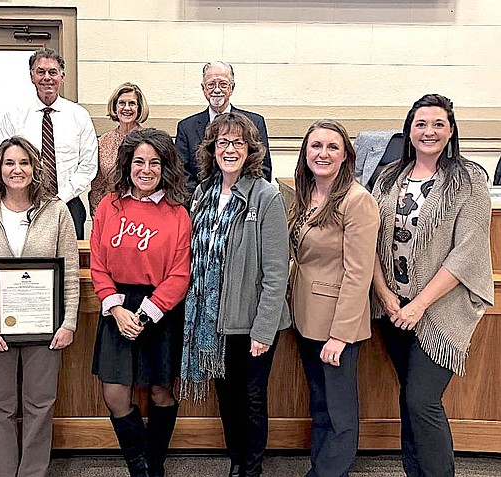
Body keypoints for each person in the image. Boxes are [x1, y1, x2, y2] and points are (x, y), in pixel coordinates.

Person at [372, 94, 494, 477]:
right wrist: (386, 295)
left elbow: (467, 250)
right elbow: (369, 241)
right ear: (409, 130)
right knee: (410, 399)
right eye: (421, 124)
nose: (429, 131)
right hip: (393, 309)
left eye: (438, 124)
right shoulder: (389, 175)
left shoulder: (469, 178)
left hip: (439, 310)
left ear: (451, 130)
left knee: (423, 401)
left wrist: (418, 305)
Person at [179, 112, 290, 477]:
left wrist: (262, 330)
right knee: (227, 399)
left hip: (251, 320)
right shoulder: (203, 193)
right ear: (211, 148)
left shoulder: (265, 196)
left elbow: (276, 273)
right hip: (214, 320)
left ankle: (251, 468)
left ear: (251, 150)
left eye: (238, 143)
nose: (230, 149)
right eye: (223, 142)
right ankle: (236, 460)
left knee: (251, 400)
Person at [0, 136, 80, 477]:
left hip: (46, 326)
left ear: (35, 167)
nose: (17, 170)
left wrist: (69, 322)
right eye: (9, 163)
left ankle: (32, 472)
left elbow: (70, 272)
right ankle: (3, 471)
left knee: (40, 404)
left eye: (24, 163)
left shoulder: (56, 210)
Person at [90, 128, 191, 477]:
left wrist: (145, 315)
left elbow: (180, 273)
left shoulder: (178, 213)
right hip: (117, 306)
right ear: (127, 164)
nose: (145, 169)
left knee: (161, 391)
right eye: (138, 162)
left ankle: (156, 463)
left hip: (158, 310)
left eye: (154, 163)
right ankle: (139, 466)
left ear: (165, 168)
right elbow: (98, 264)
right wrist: (117, 310)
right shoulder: (109, 205)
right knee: (115, 393)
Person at [288, 120, 380, 477]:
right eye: (316, 146)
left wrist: (340, 335)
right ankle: (320, 467)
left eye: (332, 147)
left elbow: (359, 273)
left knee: (339, 410)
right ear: (305, 153)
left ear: (345, 156)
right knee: (321, 403)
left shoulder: (358, 201)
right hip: (307, 315)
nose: (323, 153)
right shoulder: (305, 193)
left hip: (338, 323)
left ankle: (330, 471)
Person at [0, 47, 98, 239]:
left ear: (62, 76)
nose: (47, 77)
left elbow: (88, 165)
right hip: (23, 204)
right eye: (40, 72)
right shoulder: (14, 115)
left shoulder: (79, 116)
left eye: (53, 72)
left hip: (68, 204)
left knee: (68, 263)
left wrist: (59, 198)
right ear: (32, 76)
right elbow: (2, 161)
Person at [175, 61, 272, 192]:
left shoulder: (255, 122)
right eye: (211, 84)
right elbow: (181, 174)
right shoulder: (186, 127)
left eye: (223, 84)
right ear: (203, 89)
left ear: (232, 88)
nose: (216, 89)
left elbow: (263, 170)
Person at [89, 82, 149, 216]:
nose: (126, 108)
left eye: (132, 103)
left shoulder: (150, 141)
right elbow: (97, 187)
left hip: (144, 211)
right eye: (122, 103)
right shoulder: (103, 142)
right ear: (115, 107)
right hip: (111, 211)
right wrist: (98, 216)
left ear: (139, 108)